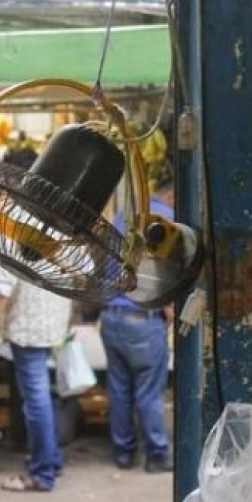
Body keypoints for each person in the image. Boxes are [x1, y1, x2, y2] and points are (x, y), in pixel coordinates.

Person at [0, 147, 74, 492]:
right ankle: (50, 459)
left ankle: (43, 471)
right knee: (42, 395)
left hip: (26, 323)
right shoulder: (60, 216)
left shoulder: (14, 220)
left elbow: (3, 283)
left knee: (35, 397)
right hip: (53, 320)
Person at [100, 175, 175, 473]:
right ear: (173, 197)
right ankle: (157, 453)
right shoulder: (165, 221)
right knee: (148, 392)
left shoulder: (122, 217)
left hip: (111, 318)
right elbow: (167, 274)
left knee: (119, 389)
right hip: (142, 320)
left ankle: (123, 452)